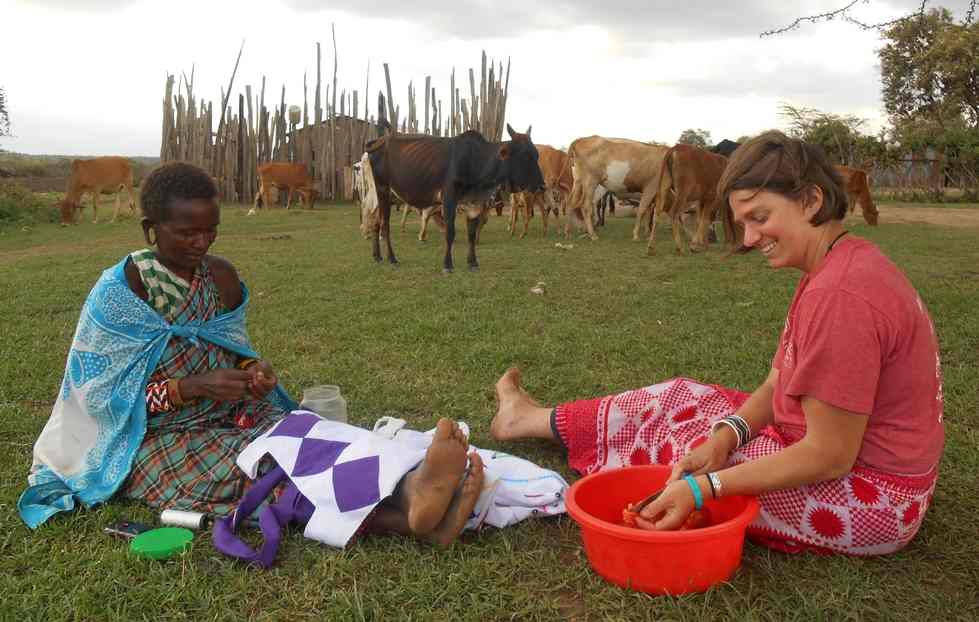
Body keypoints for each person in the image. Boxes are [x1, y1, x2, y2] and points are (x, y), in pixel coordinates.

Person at [491, 132, 944, 556]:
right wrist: (728, 437)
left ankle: (534, 423)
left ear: (811, 200)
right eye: (742, 222)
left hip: (874, 498)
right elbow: (776, 383)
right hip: (835, 454)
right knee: (683, 398)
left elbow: (828, 456)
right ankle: (532, 418)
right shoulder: (835, 264)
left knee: (675, 447)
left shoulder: (841, 296)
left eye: (760, 218)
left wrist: (704, 489)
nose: (748, 239)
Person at [20, 161, 483, 548]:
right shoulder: (121, 292)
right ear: (150, 229)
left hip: (234, 412)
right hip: (149, 439)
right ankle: (405, 513)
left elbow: (235, 351)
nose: (201, 244)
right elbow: (99, 401)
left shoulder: (220, 277)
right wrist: (190, 388)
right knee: (256, 469)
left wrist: (252, 371)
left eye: (210, 232)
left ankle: (413, 486)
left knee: (310, 436)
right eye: (187, 233)